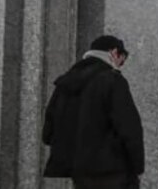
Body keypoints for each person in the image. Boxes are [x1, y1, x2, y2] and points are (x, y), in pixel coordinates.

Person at [43, 35, 144, 189]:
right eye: (122, 59)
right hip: (114, 173)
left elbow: (48, 133)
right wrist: (137, 166)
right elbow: (130, 128)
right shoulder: (113, 81)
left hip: (80, 175)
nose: (121, 65)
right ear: (114, 53)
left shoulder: (65, 83)